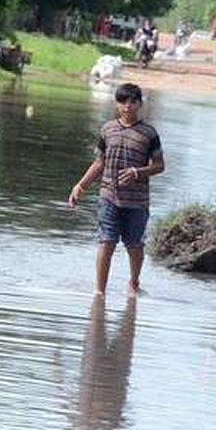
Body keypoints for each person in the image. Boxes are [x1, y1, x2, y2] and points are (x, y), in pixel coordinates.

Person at [68, 83, 165, 299]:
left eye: (132, 101)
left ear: (140, 104)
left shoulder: (149, 133)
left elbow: (159, 166)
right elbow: (99, 162)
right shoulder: (107, 129)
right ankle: (99, 293)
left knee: (134, 245)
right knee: (106, 241)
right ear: (117, 104)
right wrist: (80, 185)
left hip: (137, 201)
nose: (127, 106)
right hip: (109, 196)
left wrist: (137, 172)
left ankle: (133, 282)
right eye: (123, 101)